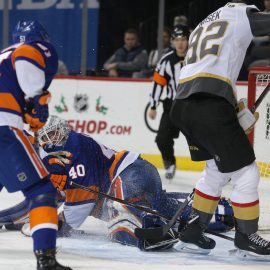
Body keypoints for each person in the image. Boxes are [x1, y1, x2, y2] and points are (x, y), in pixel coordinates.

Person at [0, 116, 234, 251]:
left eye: (53, 135)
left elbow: (81, 203)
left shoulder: (73, 147)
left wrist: (59, 223)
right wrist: (6, 219)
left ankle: (153, 232)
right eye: (46, 138)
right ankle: (218, 213)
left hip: (130, 173)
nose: (51, 141)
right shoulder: (54, 161)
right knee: (158, 206)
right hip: (138, 176)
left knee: (121, 223)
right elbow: (36, 204)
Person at [170, 0, 270, 256]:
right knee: (247, 173)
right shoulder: (242, 13)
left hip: (182, 106)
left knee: (215, 169)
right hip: (209, 105)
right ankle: (246, 236)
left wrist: (234, 110)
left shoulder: (206, 21)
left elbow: (212, 67)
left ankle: (194, 228)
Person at [0, 21, 71, 269]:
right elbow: (27, 58)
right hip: (3, 127)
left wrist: (26, 112)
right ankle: (46, 259)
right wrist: (38, 106)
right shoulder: (30, 49)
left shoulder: (3, 54)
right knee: (42, 192)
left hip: (7, 122)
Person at [148, 25, 189, 180]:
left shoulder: (197, 58)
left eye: (184, 39)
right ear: (172, 41)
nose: (180, 43)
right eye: (177, 39)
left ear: (188, 40)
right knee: (162, 138)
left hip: (193, 106)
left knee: (204, 139)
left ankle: (220, 167)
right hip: (172, 106)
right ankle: (170, 163)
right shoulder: (166, 61)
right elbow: (158, 83)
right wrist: (153, 105)